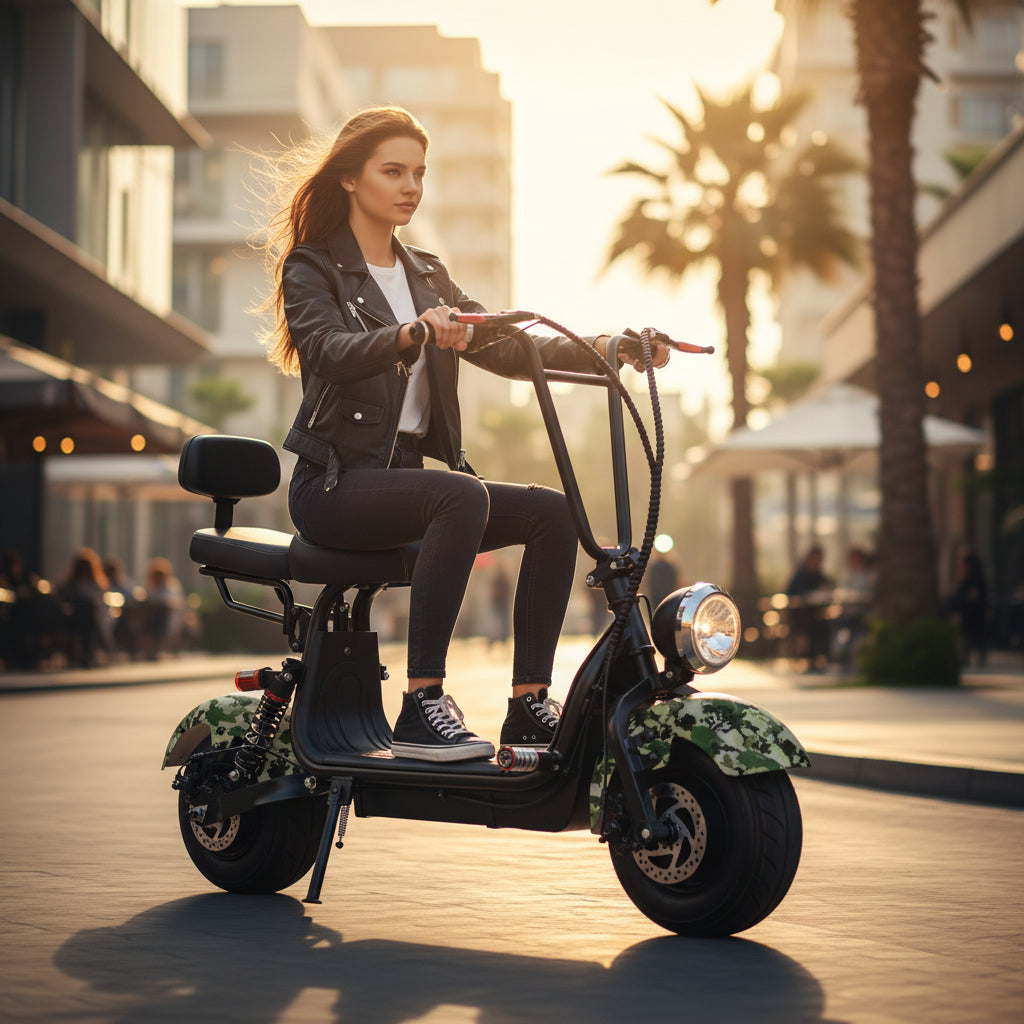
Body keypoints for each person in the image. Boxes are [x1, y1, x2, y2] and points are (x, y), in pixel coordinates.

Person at [256, 106, 669, 762]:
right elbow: (328, 349)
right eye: (393, 171)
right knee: (460, 496)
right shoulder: (314, 267)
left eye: (419, 173)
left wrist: (605, 347)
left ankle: (530, 705)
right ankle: (423, 703)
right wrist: (410, 334)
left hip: (404, 486)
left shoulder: (427, 272)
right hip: (333, 486)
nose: (410, 186)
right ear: (349, 180)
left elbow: (506, 348)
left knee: (552, 513)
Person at [785, 544, 833, 672]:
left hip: (815, 614)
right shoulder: (800, 576)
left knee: (824, 624)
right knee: (809, 626)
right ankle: (808, 658)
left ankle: (820, 658)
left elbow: (827, 587)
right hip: (799, 616)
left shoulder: (818, 575)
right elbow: (793, 596)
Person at [947, 546, 989, 666]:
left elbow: (973, 600)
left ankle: (973, 660)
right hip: (968, 619)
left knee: (972, 642)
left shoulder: (976, 581)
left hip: (973, 619)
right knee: (966, 644)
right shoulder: (965, 581)